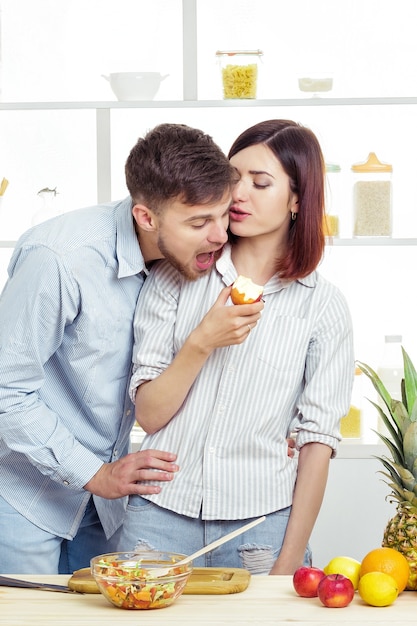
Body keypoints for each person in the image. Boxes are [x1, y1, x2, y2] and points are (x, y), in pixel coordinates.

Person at [118, 119, 355, 575]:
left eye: (260, 182)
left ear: (297, 199)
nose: (239, 193)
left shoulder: (322, 306)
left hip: (261, 527)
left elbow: (316, 444)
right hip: (160, 513)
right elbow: (148, 414)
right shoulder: (177, 275)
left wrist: (288, 563)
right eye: (234, 177)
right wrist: (202, 341)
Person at [0, 123, 238, 574]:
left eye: (223, 215)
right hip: (24, 498)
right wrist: (95, 474)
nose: (220, 235)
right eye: (199, 222)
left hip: (104, 506)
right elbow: (5, 391)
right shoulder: (61, 259)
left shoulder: (182, 266)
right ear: (146, 217)